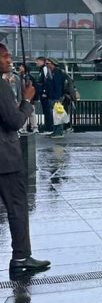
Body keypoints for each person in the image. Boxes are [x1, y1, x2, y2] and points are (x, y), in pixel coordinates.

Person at [0, 44, 50, 274]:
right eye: (4, 55)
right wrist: (28, 101)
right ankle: (21, 257)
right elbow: (14, 121)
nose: (9, 59)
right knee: (17, 207)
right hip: (5, 158)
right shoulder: (1, 86)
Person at [46, 58, 67, 138]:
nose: (47, 65)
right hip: (52, 96)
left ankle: (59, 132)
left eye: (48, 63)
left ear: (53, 63)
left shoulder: (57, 72)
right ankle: (56, 131)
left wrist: (57, 97)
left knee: (57, 114)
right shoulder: (51, 72)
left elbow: (58, 85)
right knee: (55, 114)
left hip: (56, 97)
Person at [17, 64, 37, 133]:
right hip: (23, 97)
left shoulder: (28, 77)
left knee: (31, 113)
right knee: (26, 113)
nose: (20, 67)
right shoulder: (19, 76)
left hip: (29, 97)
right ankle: (24, 127)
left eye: (21, 66)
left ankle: (33, 127)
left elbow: (33, 87)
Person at [35, 56, 53, 134]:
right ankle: (48, 127)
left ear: (42, 61)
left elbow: (47, 80)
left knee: (47, 110)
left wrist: (45, 92)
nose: (36, 63)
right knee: (45, 111)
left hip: (45, 94)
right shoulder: (41, 70)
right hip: (42, 93)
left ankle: (49, 128)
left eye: (38, 61)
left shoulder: (45, 69)